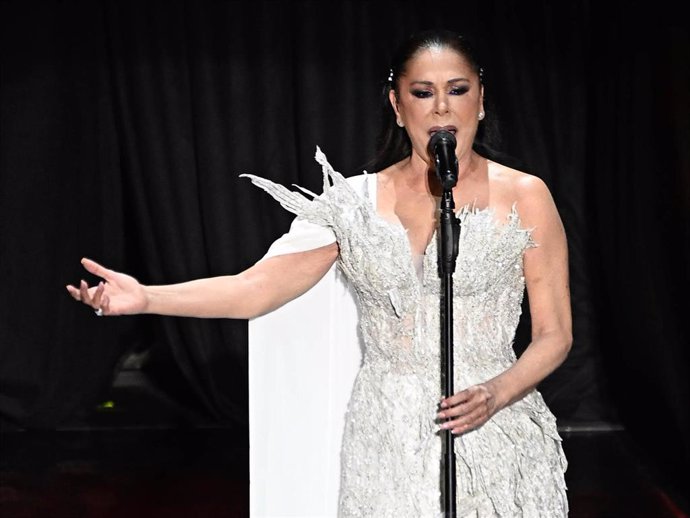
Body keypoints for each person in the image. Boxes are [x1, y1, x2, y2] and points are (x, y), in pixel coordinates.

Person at [67, 29, 572, 517]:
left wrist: (497, 393)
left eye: (457, 90)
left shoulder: (526, 195)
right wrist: (146, 298)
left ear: (480, 101)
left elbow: (555, 334)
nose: (442, 107)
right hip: (389, 438)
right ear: (398, 107)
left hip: (496, 423)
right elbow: (255, 289)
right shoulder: (354, 202)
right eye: (423, 92)